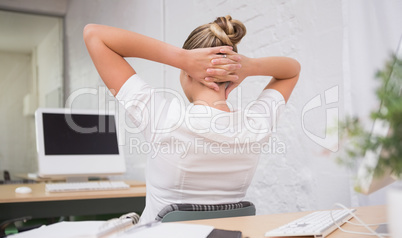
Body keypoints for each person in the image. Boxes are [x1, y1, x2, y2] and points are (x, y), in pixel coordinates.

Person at [84, 15, 300, 224]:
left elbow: (94, 34)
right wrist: (250, 66)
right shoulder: (256, 125)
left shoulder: (164, 118)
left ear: (187, 72)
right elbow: (292, 70)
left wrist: (181, 58)